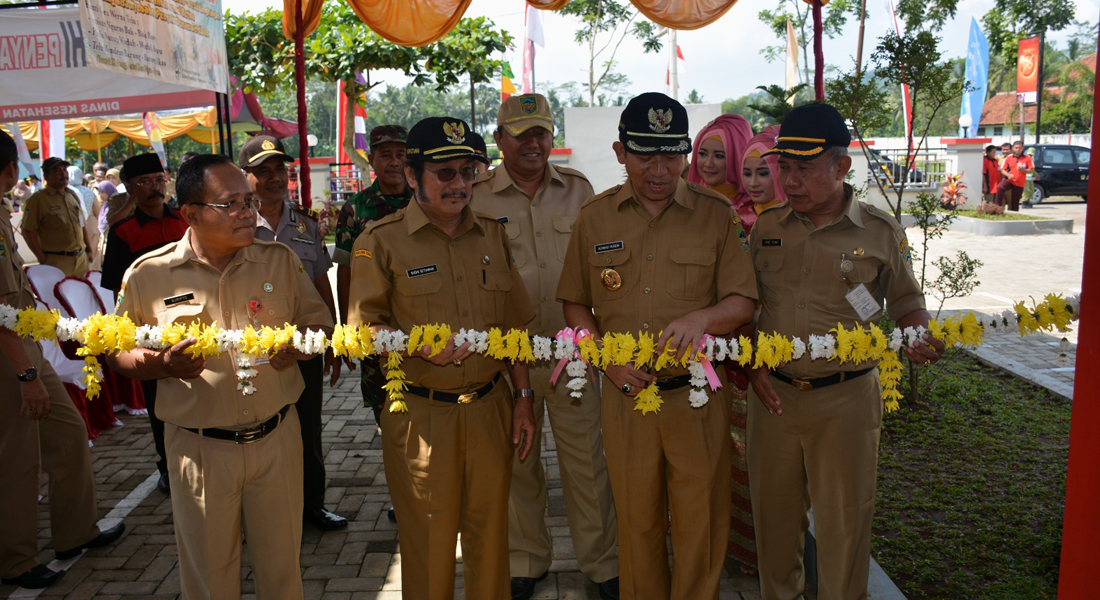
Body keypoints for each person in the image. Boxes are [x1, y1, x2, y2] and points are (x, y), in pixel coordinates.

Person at [557, 93, 758, 600]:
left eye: (671, 154)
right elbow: (575, 304)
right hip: (627, 401)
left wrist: (704, 318)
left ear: (686, 155)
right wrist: (606, 361)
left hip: (697, 399)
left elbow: (744, 301)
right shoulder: (595, 217)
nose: (659, 168)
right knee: (637, 520)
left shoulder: (715, 215)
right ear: (620, 151)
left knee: (701, 523)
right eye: (645, 153)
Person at [106, 154, 334, 599]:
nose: (247, 212)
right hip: (200, 449)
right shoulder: (149, 274)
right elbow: (116, 350)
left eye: (248, 201)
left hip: (276, 440)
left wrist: (300, 343)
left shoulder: (278, 260)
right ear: (190, 213)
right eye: (230, 203)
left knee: (283, 572)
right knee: (211, 578)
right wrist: (161, 366)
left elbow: (319, 323)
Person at [746, 103, 946, 600]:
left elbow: (905, 301)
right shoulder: (766, 227)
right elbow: (747, 306)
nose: (790, 181)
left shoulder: (877, 232)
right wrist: (750, 363)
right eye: (784, 168)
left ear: (840, 167)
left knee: (844, 527)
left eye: (805, 169)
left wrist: (916, 333)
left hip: (846, 400)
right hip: (773, 399)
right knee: (774, 523)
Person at [347, 117, 538, 600]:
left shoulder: (493, 236)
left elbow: (515, 328)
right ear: (413, 177)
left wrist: (524, 399)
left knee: (491, 540)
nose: (460, 185)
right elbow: (361, 332)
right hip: (420, 415)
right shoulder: (380, 239)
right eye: (445, 174)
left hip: (490, 407)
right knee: (428, 544)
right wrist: (413, 344)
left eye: (468, 172)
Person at [471, 93, 620, 600]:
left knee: (587, 464)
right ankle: (525, 560)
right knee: (518, 463)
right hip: (506, 359)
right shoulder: (475, 196)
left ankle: (602, 564)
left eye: (541, 132)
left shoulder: (579, 191)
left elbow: (603, 265)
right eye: (522, 134)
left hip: (571, 356)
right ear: (499, 140)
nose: (533, 143)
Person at [0, 130, 125, 591]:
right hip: (10, 354)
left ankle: (75, 533)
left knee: (69, 435)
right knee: (18, 458)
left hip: (23, 341)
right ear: (13, 169)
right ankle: (15, 560)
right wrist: (27, 373)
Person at [240, 134, 348, 531]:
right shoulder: (236, 224)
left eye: (279, 169)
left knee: (307, 427)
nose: (273, 178)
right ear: (245, 176)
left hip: (302, 346)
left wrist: (333, 341)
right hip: (251, 352)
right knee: (254, 431)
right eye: (262, 170)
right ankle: (259, 515)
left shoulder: (304, 224)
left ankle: (312, 506)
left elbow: (323, 284)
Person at [100, 153, 188, 495]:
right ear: (130, 189)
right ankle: (167, 465)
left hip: (196, 318)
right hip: (152, 326)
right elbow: (115, 288)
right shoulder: (123, 232)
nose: (155, 188)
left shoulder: (185, 219)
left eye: (158, 179)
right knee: (158, 397)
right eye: (145, 182)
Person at [334, 124, 413, 424]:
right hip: (374, 325)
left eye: (401, 154)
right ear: (372, 160)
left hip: (419, 320)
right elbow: (345, 272)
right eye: (386, 154)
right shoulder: (354, 209)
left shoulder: (424, 203)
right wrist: (347, 330)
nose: (394, 162)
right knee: (385, 410)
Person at [21, 157, 93, 276]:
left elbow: (81, 224)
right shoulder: (38, 200)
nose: (63, 173)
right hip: (56, 261)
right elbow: (27, 230)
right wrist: (42, 258)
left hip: (81, 260)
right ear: (47, 176)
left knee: (82, 293)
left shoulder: (72, 195)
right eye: (57, 171)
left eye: (64, 169)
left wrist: (89, 250)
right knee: (56, 294)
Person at [688, 114, 756, 228]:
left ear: (737, 157)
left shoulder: (752, 210)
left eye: (719, 156)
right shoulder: (687, 201)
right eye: (703, 154)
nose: (708, 163)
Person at [68, 166, 101, 271]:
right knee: (93, 255)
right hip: (91, 227)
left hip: (72, 228)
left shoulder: (65, 192)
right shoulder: (89, 192)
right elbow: (98, 211)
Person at [996, 140, 1034, 211]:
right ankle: (997, 207)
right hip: (1010, 180)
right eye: (1016, 148)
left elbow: (1031, 170)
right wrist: (1008, 175)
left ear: (1022, 148)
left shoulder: (1027, 158)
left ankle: (1014, 214)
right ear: (1013, 148)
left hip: (1019, 183)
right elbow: (1002, 169)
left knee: (1015, 202)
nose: (1018, 149)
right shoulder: (1009, 157)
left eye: (1019, 148)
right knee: (1000, 187)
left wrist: (1023, 170)